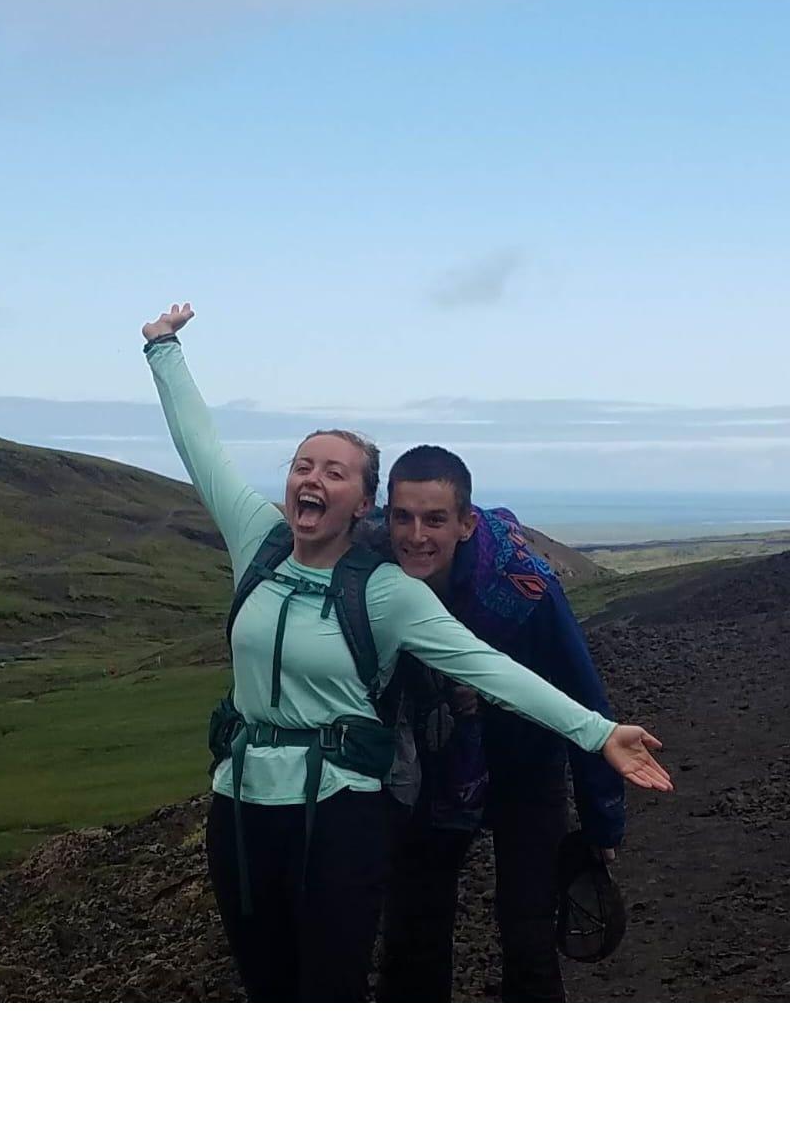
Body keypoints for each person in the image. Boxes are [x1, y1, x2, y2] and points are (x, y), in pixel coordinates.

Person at [140, 303, 672, 1002]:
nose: (313, 478)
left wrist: (600, 741)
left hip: (409, 791)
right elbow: (200, 450)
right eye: (304, 465)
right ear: (382, 516)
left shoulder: (419, 590)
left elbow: (495, 669)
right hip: (270, 799)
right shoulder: (258, 541)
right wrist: (164, 350)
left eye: (335, 472)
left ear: (360, 502)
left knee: (496, 943)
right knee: (324, 968)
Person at [376, 445, 624, 1001]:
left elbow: (582, 694)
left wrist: (601, 822)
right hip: (430, 763)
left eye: (436, 519)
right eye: (403, 517)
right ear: (385, 515)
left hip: (525, 763)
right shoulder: (367, 562)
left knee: (529, 932)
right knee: (412, 932)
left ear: (466, 523)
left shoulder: (525, 586)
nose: (416, 535)